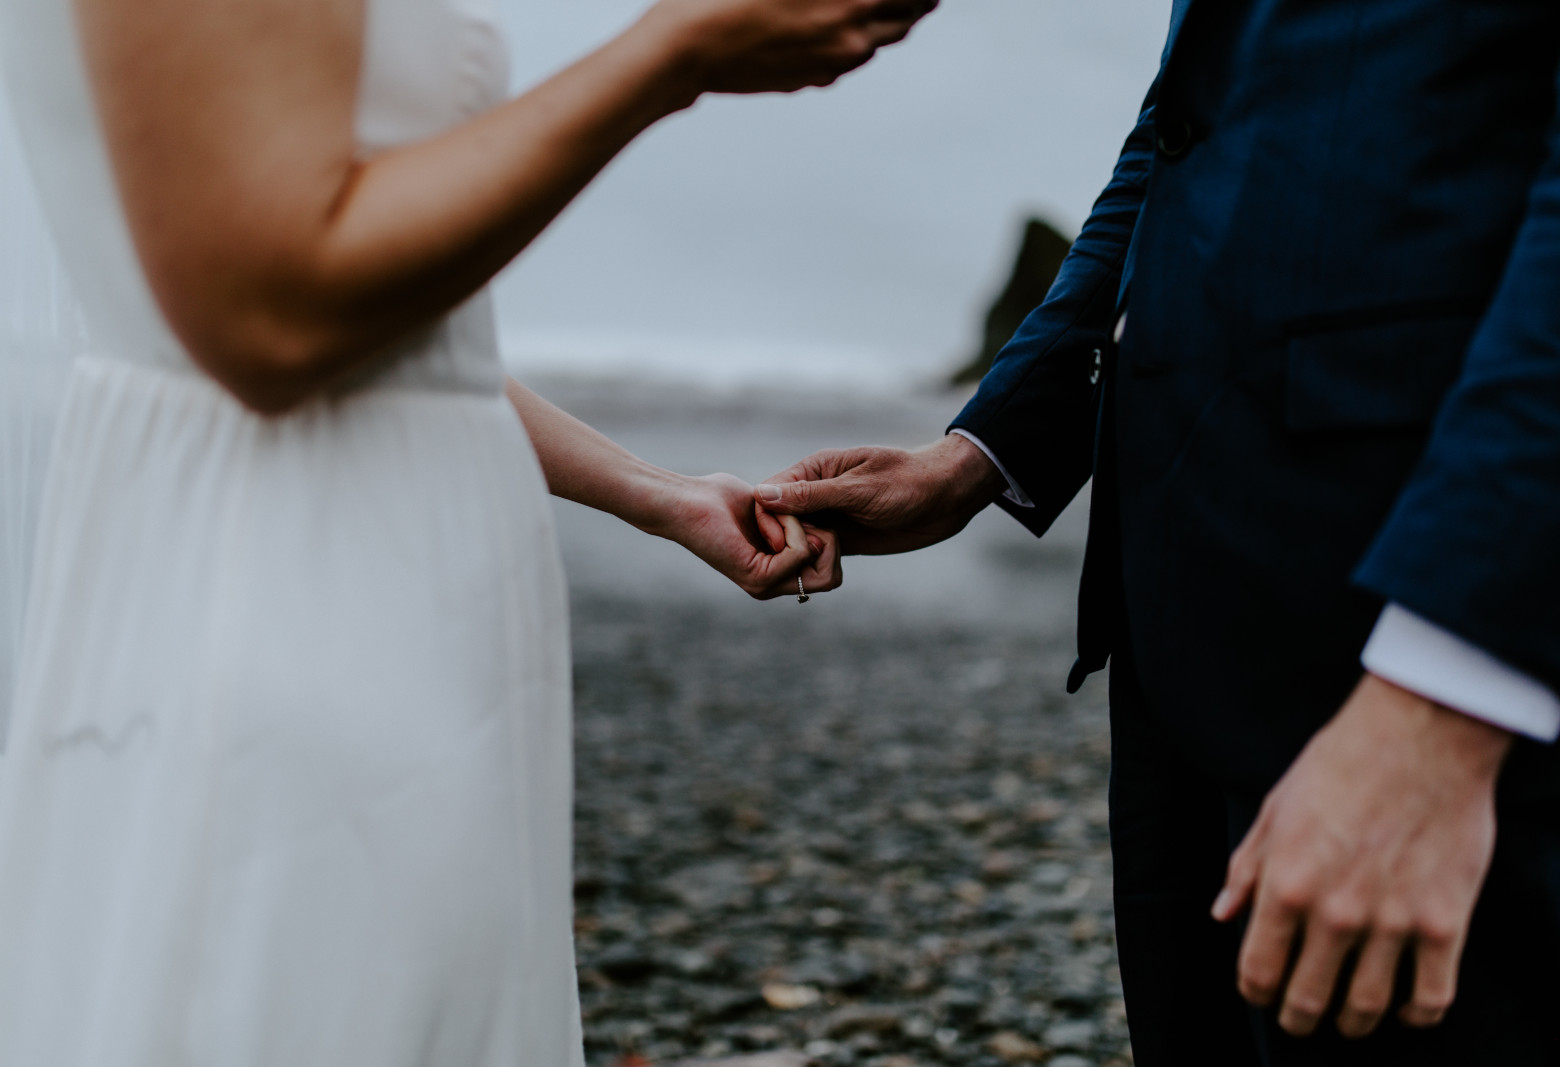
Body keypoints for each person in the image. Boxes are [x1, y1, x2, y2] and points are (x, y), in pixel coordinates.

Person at [0, 0, 936, 1062]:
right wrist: (675, 52)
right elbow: (270, 312)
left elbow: (392, 332)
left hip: (362, 586)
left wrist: (658, 493)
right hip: (286, 588)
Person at [757, 2, 1560, 1063]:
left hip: (1415, 598)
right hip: (1177, 586)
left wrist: (1445, 698)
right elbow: (1190, 119)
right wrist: (983, 452)